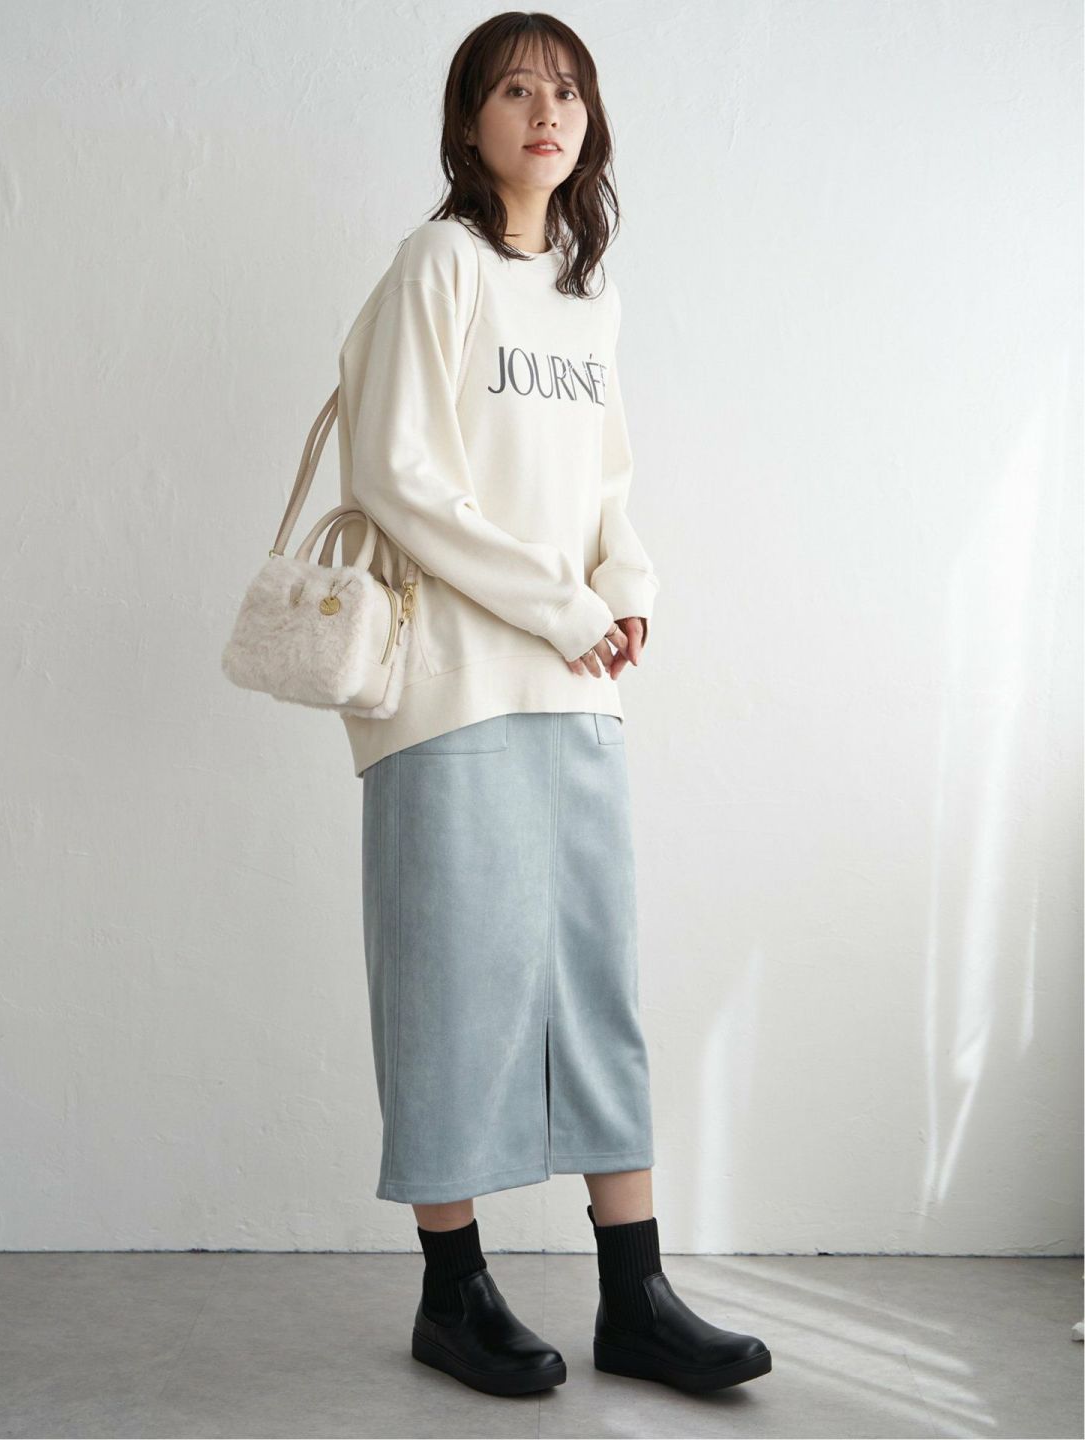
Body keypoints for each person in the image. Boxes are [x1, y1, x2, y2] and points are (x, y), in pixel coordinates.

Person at [334, 12, 771, 1399]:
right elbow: (398, 477)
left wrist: (625, 591)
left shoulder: (590, 298)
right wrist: (565, 608)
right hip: (451, 691)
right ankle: (451, 1292)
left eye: (568, 90)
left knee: (594, 985)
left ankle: (633, 1294)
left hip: (575, 690)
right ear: (469, 120)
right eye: (517, 88)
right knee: (450, 986)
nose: (546, 110)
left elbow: (607, 487)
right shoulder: (438, 266)